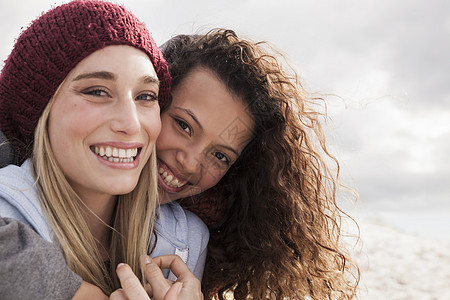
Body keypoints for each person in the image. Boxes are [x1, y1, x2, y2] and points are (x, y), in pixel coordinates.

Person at [0, 1, 204, 299]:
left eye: (146, 96)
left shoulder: (187, 242)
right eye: (96, 91)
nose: (131, 123)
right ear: (41, 112)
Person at [161, 30, 360, 299]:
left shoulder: (190, 240)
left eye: (220, 156)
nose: (191, 163)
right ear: (151, 98)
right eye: (184, 125)